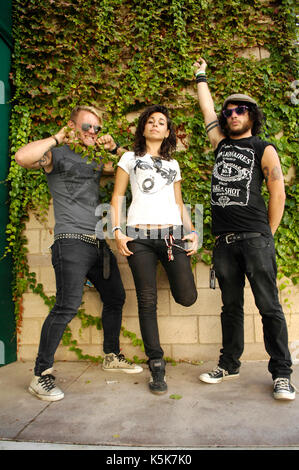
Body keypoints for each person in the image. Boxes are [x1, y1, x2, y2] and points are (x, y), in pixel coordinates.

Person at [15, 105, 143, 402]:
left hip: (98, 242)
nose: (93, 133)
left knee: (116, 297)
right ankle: (40, 374)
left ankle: (111, 355)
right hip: (70, 241)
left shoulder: (95, 159)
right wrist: (57, 138)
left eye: (97, 129)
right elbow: (22, 157)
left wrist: (114, 148)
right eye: (87, 127)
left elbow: (134, 168)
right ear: (72, 126)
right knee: (67, 306)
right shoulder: (55, 154)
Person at [193, 57, 295, 400]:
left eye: (240, 110)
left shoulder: (262, 147)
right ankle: (229, 364)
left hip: (255, 239)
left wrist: (268, 233)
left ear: (251, 115)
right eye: (230, 111)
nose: (233, 114)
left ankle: (282, 374)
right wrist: (201, 76)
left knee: (268, 306)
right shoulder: (220, 143)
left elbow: (277, 191)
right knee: (230, 307)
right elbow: (207, 110)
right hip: (224, 243)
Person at [110, 105, 198, 395]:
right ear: (144, 128)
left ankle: (157, 361)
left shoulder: (173, 165)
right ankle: (156, 364)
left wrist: (193, 230)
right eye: (151, 121)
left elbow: (178, 202)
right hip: (139, 236)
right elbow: (117, 196)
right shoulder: (128, 158)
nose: (156, 125)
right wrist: (117, 231)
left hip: (172, 236)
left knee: (187, 296)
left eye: (161, 122)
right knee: (147, 301)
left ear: (168, 131)